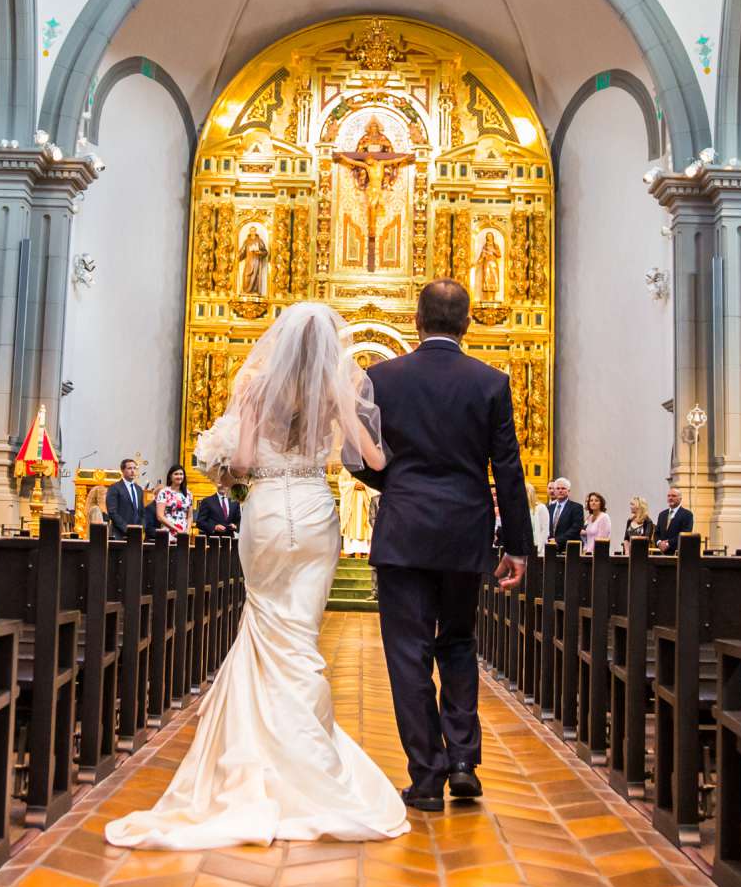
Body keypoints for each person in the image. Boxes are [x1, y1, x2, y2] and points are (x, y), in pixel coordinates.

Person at [105, 301, 401, 849]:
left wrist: (228, 456)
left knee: (265, 624)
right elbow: (374, 462)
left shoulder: (255, 385)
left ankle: (259, 751)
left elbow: (239, 462)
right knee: (302, 637)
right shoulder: (338, 388)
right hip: (315, 510)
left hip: (265, 512)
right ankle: (308, 752)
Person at [355, 279, 531, 812]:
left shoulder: (381, 377)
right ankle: (463, 762)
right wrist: (518, 546)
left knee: (407, 655)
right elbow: (507, 468)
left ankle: (427, 777)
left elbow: (356, 456)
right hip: (465, 532)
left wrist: (403, 488)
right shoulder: (491, 382)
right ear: (468, 322)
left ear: (416, 321)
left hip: (404, 532)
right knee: (457, 642)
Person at [104, 458, 153, 538]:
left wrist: (141, 528)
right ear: (122, 470)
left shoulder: (139, 489)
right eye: (129, 468)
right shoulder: (115, 488)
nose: (133, 471)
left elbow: (142, 512)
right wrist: (127, 529)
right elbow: (112, 512)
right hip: (120, 534)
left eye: (134, 468)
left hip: (136, 535)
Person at [539, 476, 584, 551]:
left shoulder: (576, 507)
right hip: (550, 548)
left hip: (569, 549)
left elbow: (576, 528)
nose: (560, 491)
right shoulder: (549, 508)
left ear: (568, 491)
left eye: (563, 488)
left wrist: (557, 540)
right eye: (558, 488)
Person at [655, 484, 698, 549]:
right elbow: (656, 533)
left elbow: (685, 533)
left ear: (680, 499)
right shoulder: (662, 514)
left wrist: (668, 543)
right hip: (661, 552)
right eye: (668, 496)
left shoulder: (687, 514)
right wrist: (659, 543)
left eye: (673, 496)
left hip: (677, 551)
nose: (670, 498)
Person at [155, 463, 193, 535]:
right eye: (176, 474)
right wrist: (176, 529)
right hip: (168, 531)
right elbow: (160, 516)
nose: (179, 476)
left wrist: (187, 530)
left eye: (181, 474)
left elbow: (190, 516)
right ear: (170, 476)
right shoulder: (164, 492)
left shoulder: (188, 494)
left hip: (183, 532)